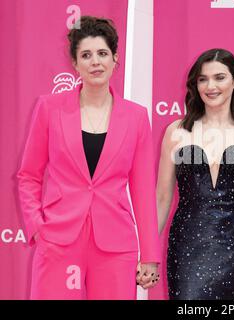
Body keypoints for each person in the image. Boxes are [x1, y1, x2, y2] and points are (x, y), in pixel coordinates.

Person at [17, 16, 160, 299]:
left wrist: (150, 253)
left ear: (115, 59)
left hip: (116, 245)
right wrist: (36, 227)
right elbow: (28, 175)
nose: (95, 62)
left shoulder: (136, 116)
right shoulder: (49, 108)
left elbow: (143, 189)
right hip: (58, 238)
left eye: (102, 53)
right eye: (86, 55)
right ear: (75, 63)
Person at [157, 48, 234, 299]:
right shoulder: (177, 132)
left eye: (219, 77)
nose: (210, 86)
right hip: (188, 248)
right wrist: (147, 252)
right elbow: (161, 198)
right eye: (203, 79)